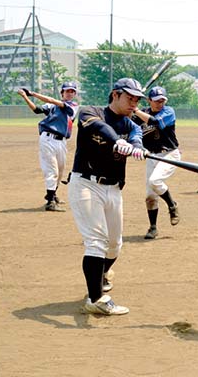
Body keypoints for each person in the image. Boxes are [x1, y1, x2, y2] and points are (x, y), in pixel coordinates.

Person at [68, 78, 146, 316]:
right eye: (129, 98)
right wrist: (118, 141)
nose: (134, 103)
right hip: (86, 184)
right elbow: (99, 128)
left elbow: (136, 136)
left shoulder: (132, 124)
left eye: (137, 100)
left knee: (114, 245)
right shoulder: (90, 112)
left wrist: (136, 147)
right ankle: (95, 298)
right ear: (115, 94)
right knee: (97, 241)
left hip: (113, 188)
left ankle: (100, 274)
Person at [17, 82, 79, 212]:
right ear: (62, 93)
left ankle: (53, 194)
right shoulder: (52, 105)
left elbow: (53, 100)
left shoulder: (73, 106)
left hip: (62, 141)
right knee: (52, 171)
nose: (70, 93)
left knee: (60, 171)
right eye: (67, 91)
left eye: (72, 91)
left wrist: (32, 93)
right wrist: (25, 97)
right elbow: (37, 110)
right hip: (47, 139)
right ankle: (50, 202)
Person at [132, 86, 181, 240]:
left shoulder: (168, 112)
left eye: (162, 100)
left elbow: (156, 122)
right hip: (151, 156)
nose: (160, 103)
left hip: (169, 154)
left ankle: (172, 205)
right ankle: (153, 228)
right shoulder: (141, 113)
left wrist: (136, 110)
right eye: (157, 101)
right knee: (150, 195)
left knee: (155, 181)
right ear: (149, 101)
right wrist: (129, 110)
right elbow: (127, 124)